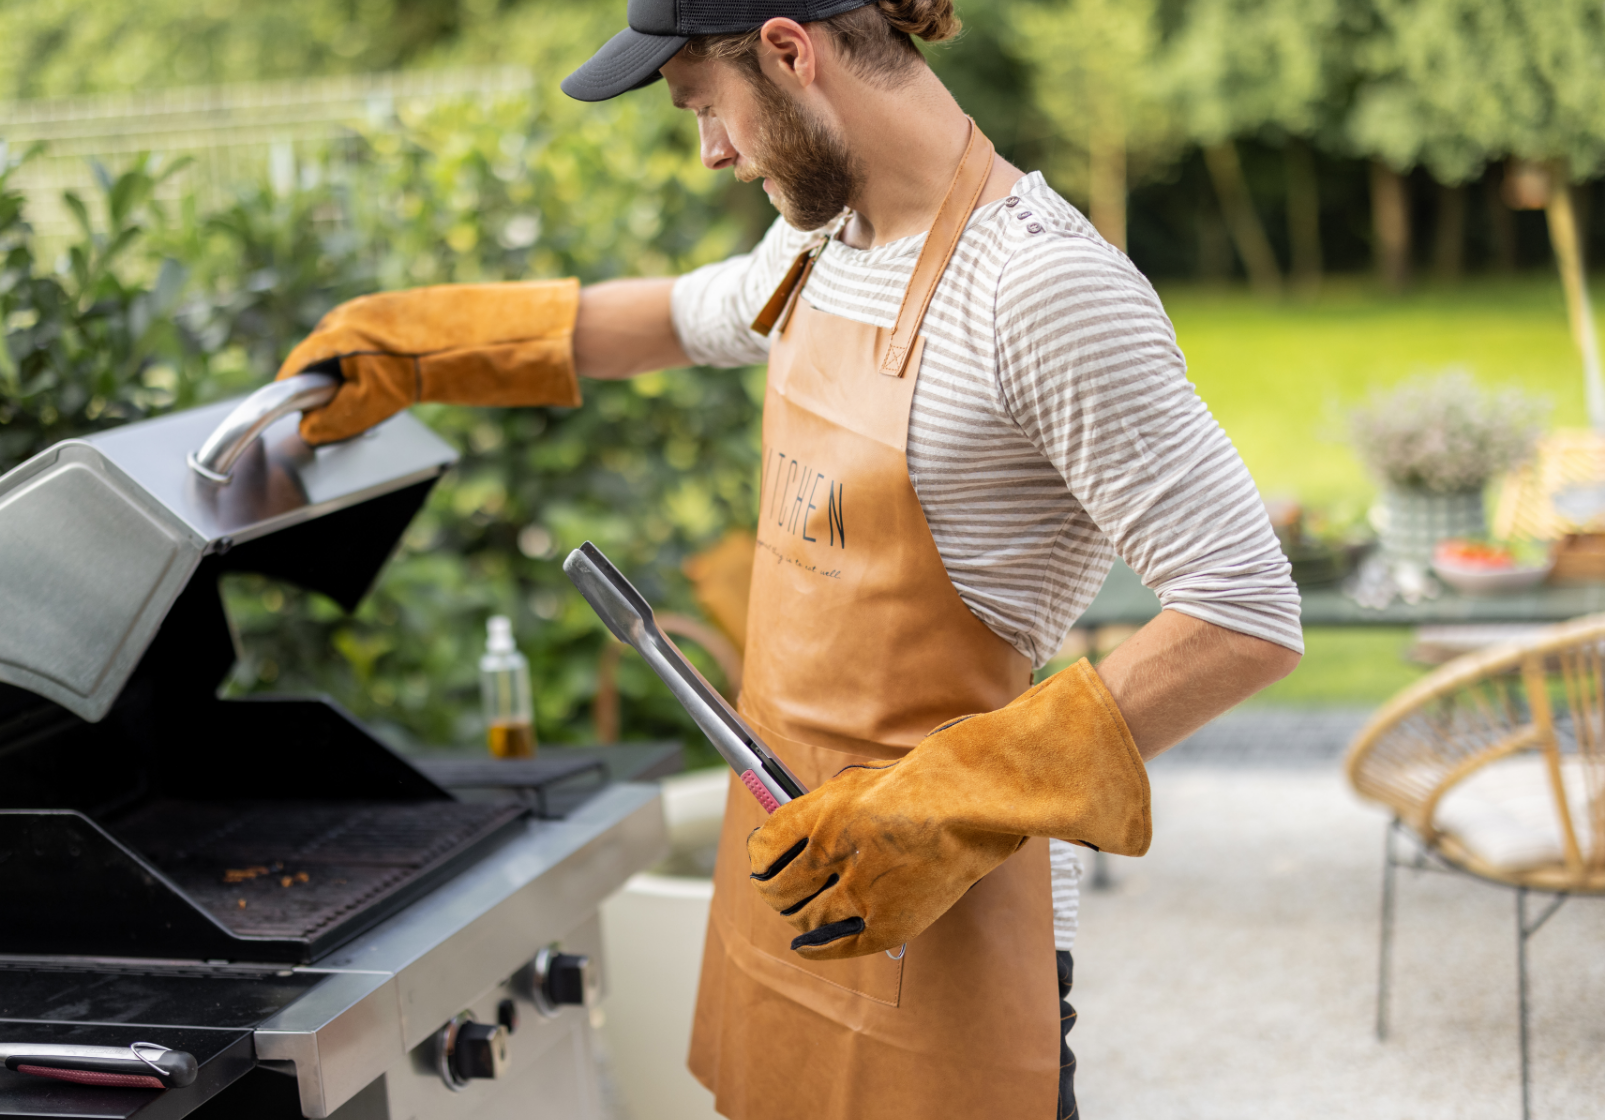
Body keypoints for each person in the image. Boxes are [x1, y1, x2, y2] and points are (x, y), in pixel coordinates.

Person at [273, 0, 1303, 1115]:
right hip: (791, 882)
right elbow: (681, 317)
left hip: (946, 927)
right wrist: (429, 347)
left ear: (788, 52)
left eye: (705, 107)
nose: (711, 151)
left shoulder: (1042, 289)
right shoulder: (825, 239)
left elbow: (1242, 606)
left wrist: (949, 800)